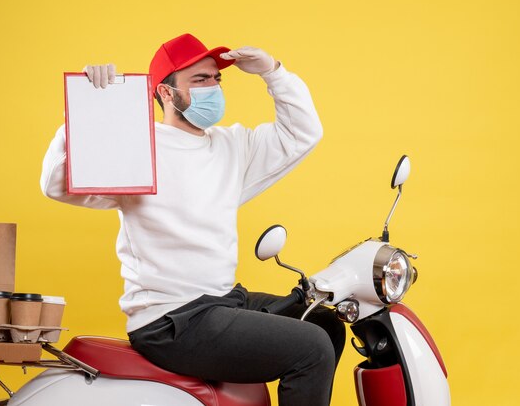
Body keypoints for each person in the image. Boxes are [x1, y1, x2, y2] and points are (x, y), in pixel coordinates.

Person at [40, 33, 345, 406]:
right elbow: (56, 183)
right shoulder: (137, 146)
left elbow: (303, 133)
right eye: (200, 80)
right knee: (311, 348)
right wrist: (84, 108)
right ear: (166, 94)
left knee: (324, 323)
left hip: (221, 303)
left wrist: (273, 73)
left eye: (217, 79)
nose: (213, 88)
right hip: (171, 320)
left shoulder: (232, 147)